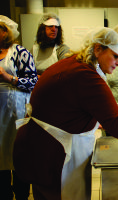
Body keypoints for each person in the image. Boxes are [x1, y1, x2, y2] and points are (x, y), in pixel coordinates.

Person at [13, 27, 118, 200]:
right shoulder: (86, 76)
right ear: (98, 49)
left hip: (41, 147)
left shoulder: (76, 63)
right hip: (54, 154)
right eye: (115, 56)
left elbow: (72, 105)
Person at [0, 15, 38, 200]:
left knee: (18, 154)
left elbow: (33, 82)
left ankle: (22, 194)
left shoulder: (20, 52)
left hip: (17, 111)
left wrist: (9, 78)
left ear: (6, 32)